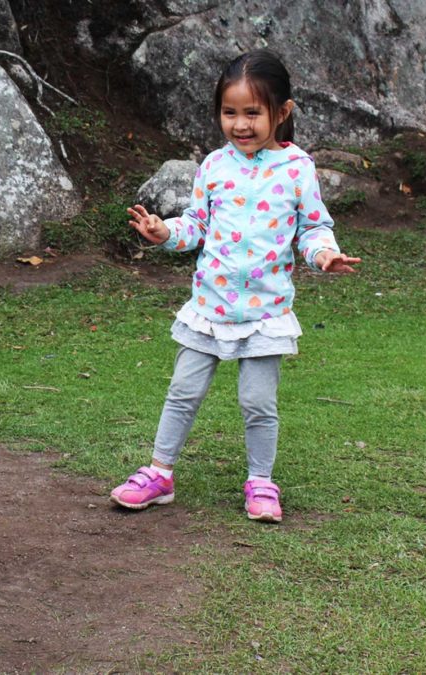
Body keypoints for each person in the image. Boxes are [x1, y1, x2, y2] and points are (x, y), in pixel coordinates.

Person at [110, 49, 361, 522]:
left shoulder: (297, 169)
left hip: (265, 315)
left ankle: (262, 482)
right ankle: (159, 473)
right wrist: (166, 233)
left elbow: (312, 228)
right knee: (182, 393)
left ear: (281, 113)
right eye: (230, 113)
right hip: (210, 307)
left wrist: (323, 253)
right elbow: (196, 225)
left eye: (252, 113)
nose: (240, 125)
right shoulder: (214, 166)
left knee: (257, 403)